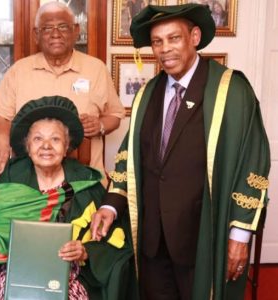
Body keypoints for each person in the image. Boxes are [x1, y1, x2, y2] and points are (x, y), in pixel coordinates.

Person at [90, 4, 270, 300]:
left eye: (174, 38)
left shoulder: (230, 91)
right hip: (152, 238)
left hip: (202, 237)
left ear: (195, 37)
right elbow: (128, 158)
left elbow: (253, 164)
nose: (165, 49)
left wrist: (240, 235)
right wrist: (110, 206)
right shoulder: (147, 93)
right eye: (157, 42)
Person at [0, 96, 135, 300]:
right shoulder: (10, 179)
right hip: (13, 271)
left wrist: (85, 251)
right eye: (38, 139)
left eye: (55, 139)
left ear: (67, 146)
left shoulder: (86, 183)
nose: (46, 146)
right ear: (27, 146)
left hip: (68, 275)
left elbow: (116, 241)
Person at [0, 2, 124, 187]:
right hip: (29, 184)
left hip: (86, 183)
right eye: (47, 28)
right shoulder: (19, 70)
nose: (55, 34)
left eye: (62, 27)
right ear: (36, 34)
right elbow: (0, 116)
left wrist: (100, 125)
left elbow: (115, 115)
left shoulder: (96, 69)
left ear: (76, 30)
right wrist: (2, 138)